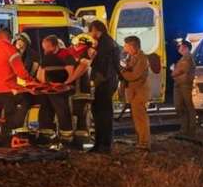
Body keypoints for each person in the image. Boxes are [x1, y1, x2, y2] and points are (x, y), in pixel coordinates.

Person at [0, 28, 34, 145]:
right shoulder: (10, 50)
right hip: (7, 87)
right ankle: (13, 132)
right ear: (9, 37)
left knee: (0, 112)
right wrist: (31, 81)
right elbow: (20, 72)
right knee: (23, 102)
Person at [87, 20, 120, 153]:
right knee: (99, 113)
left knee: (103, 114)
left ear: (96, 29)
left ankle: (104, 145)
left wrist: (96, 80)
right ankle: (100, 143)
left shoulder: (105, 43)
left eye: (91, 30)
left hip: (104, 83)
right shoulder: (107, 42)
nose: (91, 33)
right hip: (106, 82)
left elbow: (104, 66)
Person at [36, 35, 74, 146]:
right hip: (49, 89)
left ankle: (66, 138)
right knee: (45, 112)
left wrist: (63, 85)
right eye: (44, 48)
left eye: (47, 47)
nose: (45, 50)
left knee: (62, 112)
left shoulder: (66, 56)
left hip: (60, 90)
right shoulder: (47, 57)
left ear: (55, 46)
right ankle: (46, 136)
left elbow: (70, 74)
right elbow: (40, 75)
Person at [119, 35, 151, 151]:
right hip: (135, 93)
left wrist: (121, 73)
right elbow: (129, 69)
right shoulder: (133, 57)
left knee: (140, 118)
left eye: (126, 45)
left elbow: (134, 75)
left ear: (132, 46)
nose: (124, 47)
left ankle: (144, 143)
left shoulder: (142, 59)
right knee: (137, 118)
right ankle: (141, 141)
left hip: (140, 93)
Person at [63, 33, 95, 148]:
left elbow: (83, 68)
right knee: (76, 115)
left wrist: (68, 80)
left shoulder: (88, 53)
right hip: (75, 90)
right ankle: (76, 141)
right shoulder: (74, 53)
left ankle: (80, 141)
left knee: (81, 115)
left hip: (82, 89)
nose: (77, 47)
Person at [171, 39, 197, 138]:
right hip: (180, 84)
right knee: (180, 107)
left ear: (185, 47)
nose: (178, 48)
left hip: (184, 84)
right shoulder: (183, 58)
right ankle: (185, 129)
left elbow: (178, 71)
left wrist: (174, 71)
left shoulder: (187, 58)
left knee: (188, 107)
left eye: (180, 46)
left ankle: (190, 130)